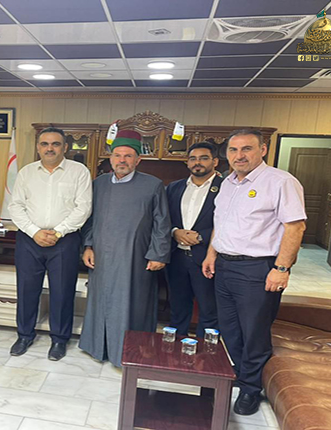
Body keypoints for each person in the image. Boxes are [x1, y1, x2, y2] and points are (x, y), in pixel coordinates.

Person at [202, 129, 306, 415]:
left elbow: (295, 227)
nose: (239, 156)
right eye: (233, 150)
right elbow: (220, 223)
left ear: (263, 149)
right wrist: (211, 254)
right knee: (229, 329)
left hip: (257, 268)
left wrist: (281, 268)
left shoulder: (280, 182)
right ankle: (241, 373)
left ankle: (250, 389)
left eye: (246, 149)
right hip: (225, 266)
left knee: (254, 332)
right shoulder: (227, 183)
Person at [79, 130, 171, 367]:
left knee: (132, 303)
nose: (122, 160)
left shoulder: (153, 185)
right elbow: (89, 219)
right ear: (110, 158)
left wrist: (158, 254)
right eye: (118, 155)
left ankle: (130, 352)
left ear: (138, 160)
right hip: (101, 255)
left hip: (135, 258)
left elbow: (162, 223)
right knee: (100, 301)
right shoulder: (98, 184)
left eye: (128, 156)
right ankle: (98, 347)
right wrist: (88, 246)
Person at [8, 127, 92, 361]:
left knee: (62, 291)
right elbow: (16, 206)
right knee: (26, 290)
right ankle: (24, 335)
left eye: (55, 144)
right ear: (38, 147)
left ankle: (59, 339)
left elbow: (83, 207)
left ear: (65, 147)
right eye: (45, 144)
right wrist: (35, 232)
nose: (50, 148)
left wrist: (59, 231)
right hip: (29, 240)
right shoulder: (26, 172)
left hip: (64, 240)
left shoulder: (79, 172)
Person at [165, 142, 222, 338]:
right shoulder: (174, 187)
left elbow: (231, 221)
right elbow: (164, 218)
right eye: (193, 159)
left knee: (209, 309)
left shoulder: (226, 188)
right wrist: (174, 232)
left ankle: (205, 351)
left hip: (207, 258)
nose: (198, 163)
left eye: (204, 158)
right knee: (177, 307)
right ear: (187, 162)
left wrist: (201, 236)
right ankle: (174, 348)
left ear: (215, 161)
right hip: (177, 258)